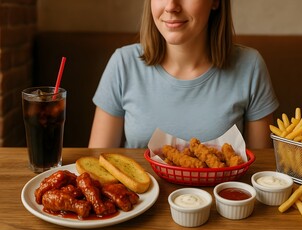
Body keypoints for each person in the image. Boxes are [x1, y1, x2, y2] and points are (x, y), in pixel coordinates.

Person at [89, 0, 279, 149]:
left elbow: (259, 170)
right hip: (140, 199)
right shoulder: (123, 63)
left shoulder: (250, 66)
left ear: (215, 2)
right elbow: (96, 164)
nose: (171, 6)